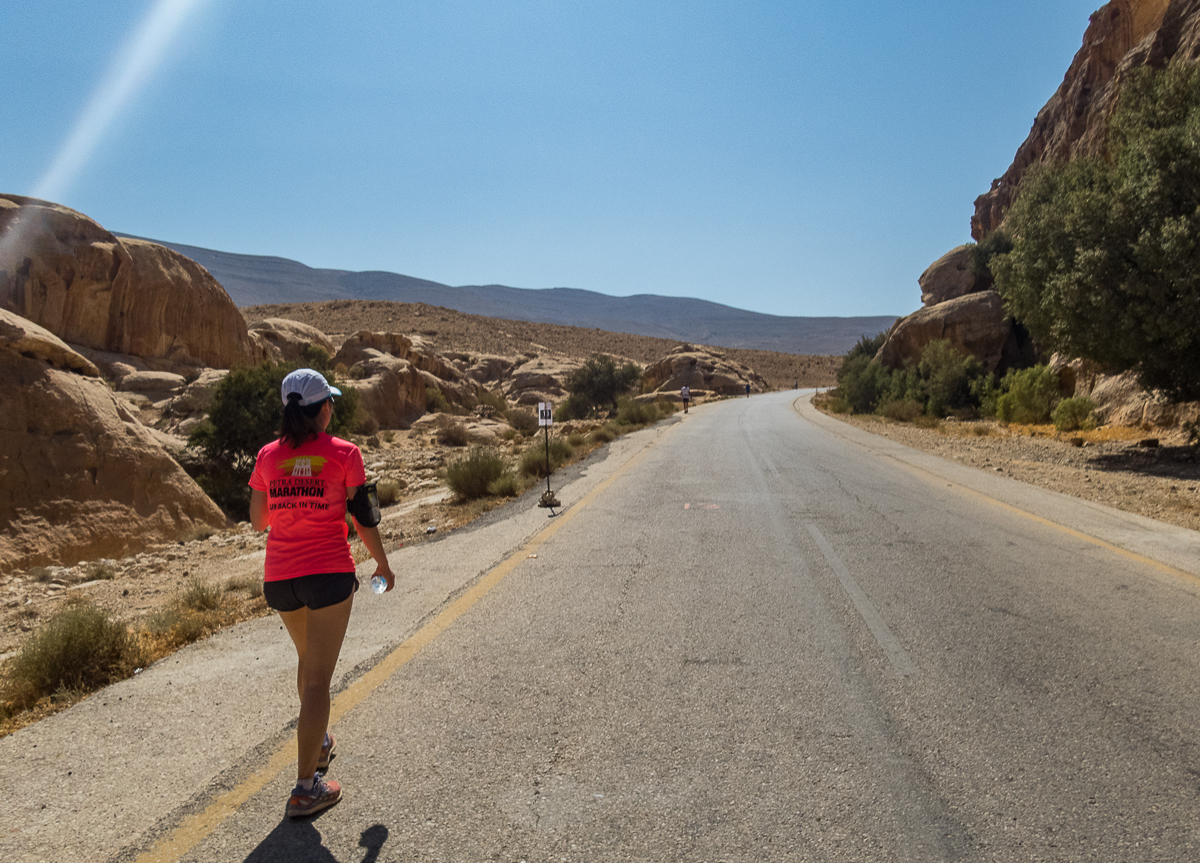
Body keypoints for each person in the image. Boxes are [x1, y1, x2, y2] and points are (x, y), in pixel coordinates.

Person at [249, 368, 395, 818]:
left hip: (280, 579)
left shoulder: (267, 456)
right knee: (318, 680)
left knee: (308, 662)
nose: (333, 407)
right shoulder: (345, 454)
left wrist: (292, 499)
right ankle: (305, 788)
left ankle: (321, 742)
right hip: (328, 574)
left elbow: (258, 521)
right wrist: (383, 563)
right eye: (330, 401)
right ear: (322, 409)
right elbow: (362, 518)